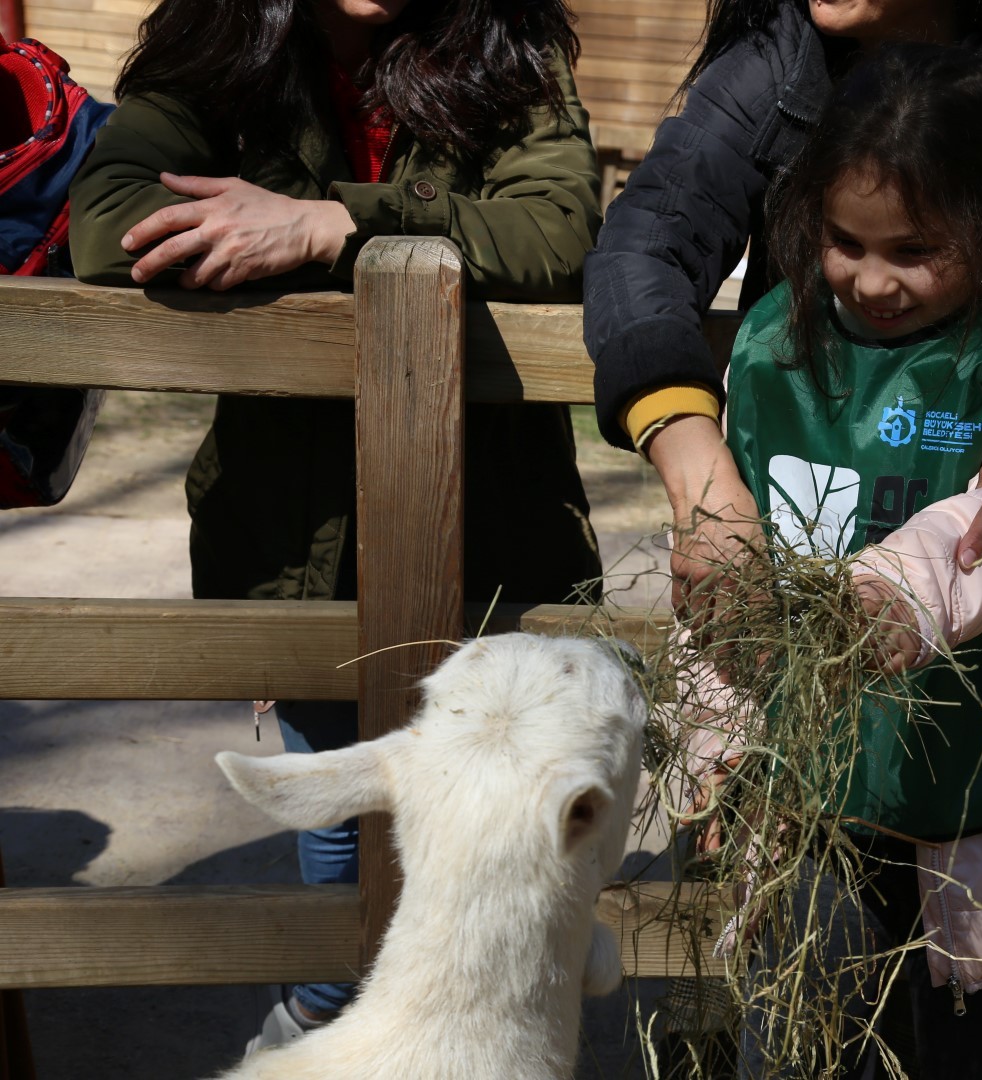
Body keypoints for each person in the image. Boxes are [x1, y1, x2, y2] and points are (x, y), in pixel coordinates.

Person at [68, 0, 603, 1049]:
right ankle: (331, 1001)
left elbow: (554, 232)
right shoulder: (221, 48)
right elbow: (107, 218)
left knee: (494, 796)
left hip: (491, 515)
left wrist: (330, 222)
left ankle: (453, 1018)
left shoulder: (508, 53)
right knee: (334, 786)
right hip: (287, 527)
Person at [678, 43, 982, 1078]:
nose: (873, 279)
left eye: (916, 249)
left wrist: (889, 600)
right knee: (803, 1040)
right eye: (847, 242)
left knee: (969, 1053)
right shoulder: (775, 343)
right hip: (814, 792)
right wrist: (722, 757)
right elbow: (733, 585)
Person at [582, 0, 982, 621]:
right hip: (807, 535)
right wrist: (702, 483)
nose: (875, 282)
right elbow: (645, 247)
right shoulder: (776, 42)